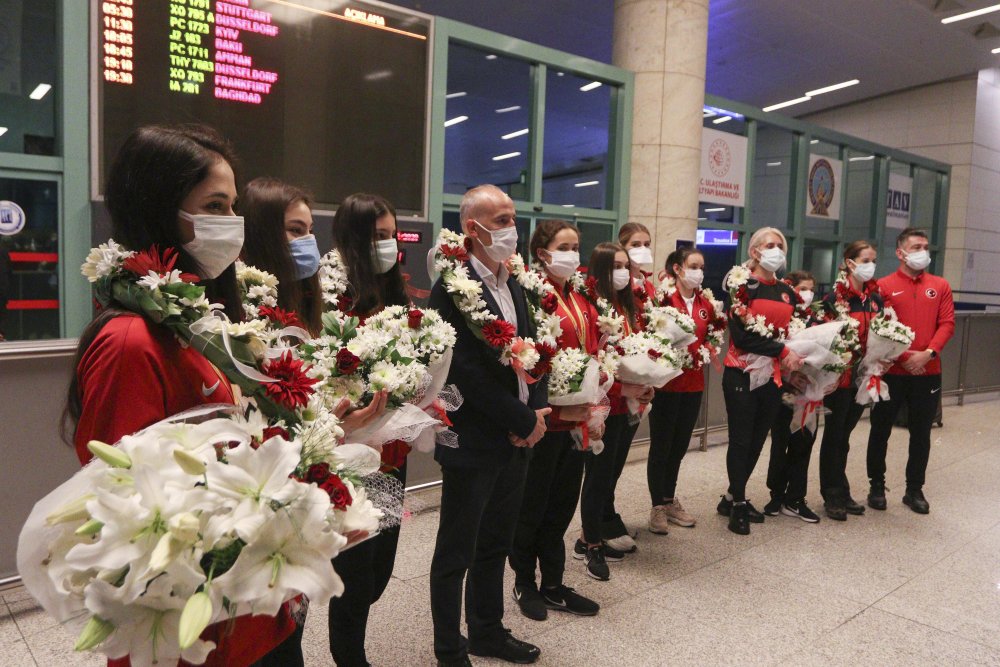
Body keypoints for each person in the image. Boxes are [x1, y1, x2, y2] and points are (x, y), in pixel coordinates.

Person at [64, 124, 293, 666]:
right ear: (158, 208)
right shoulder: (131, 341)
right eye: (215, 205)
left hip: (253, 616)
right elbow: (133, 518)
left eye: (233, 206)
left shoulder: (199, 324)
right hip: (202, 637)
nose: (233, 224)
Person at [241, 183, 389, 666]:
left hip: (321, 475)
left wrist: (343, 424)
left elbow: (309, 411)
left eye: (309, 230)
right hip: (265, 500)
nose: (305, 242)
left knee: (296, 623)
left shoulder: (307, 313)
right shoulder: (243, 318)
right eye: (294, 230)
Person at [428, 185, 550, 667]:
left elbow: (534, 348)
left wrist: (535, 414)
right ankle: (448, 647)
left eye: (511, 218)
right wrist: (521, 418)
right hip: (474, 439)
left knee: (496, 541)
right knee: (456, 548)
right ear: (471, 229)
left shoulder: (514, 282)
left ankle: (486, 631)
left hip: (518, 436)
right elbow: (463, 372)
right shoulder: (451, 289)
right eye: (499, 220)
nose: (510, 229)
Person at [324, 193, 409, 667]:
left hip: (393, 457)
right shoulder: (331, 298)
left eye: (391, 235)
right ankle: (349, 656)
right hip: (352, 458)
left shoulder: (395, 297)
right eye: (377, 236)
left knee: (379, 572)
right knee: (356, 574)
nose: (387, 244)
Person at [510, 220, 602, 618]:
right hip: (546, 420)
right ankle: (523, 583)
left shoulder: (580, 295)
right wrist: (560, 407)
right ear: (542, 252)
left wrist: (596, 401)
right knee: (532, 506)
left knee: (562, 505)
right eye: (564, 246)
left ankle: (554, 582)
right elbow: (524, 358)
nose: (573, 254)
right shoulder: (530, 294)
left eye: (576, 246)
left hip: (576, 423)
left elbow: (595, 351)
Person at [719, 227, 804, 535]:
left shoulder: (786, 291)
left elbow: (791, 331)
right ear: (754, 251)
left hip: (772, 376)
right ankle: (739, 504)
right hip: (740, 373)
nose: (777, 249)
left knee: (757, 440)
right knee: (741, 440)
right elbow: (741, 337)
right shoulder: (741, 284)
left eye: (781, 245)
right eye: (770, 245)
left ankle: (731, 496)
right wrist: (782, 350)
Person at [576, 242, 652, 579]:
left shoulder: (628, 305)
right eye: (615, 266)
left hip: (628, 405)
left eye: (626, 265)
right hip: (603, 405)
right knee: (597, 475)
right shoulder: (592, 308)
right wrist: (624, 388)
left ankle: (598, 530)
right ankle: (589, 542)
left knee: (611, 474)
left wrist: (648, 380)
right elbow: (591, 363)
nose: (623, 272)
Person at [866, 227, 954, 514]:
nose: (923, 251)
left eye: (925, 246)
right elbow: (877, 328)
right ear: (900, 252)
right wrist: (904, 357)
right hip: (891, 371)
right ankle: (876, 486)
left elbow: (947, 324)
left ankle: (914, 489)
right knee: (880, 430)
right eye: (916, 246)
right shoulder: (883, 286)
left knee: (921, 434)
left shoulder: (940, 286)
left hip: (928, 371)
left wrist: (927, 354)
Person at [646, 246, 718, 533]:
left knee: (678, 446)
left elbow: (712, 332)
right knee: (661, 446)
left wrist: (710, 347)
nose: (698, 271)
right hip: (666, 383)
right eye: (693, 265)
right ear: (677, 268)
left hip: (693, 383)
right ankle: (657, 507)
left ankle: (669, 498)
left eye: (702, 266)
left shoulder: (706, 304)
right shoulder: (663, 300)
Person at [597, 222, 656, 553]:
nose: (642, 249)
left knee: (616, 461)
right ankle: (599, 525)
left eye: (647, 243)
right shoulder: (604, 298)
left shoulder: (641, 294)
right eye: (635, 244)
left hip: (632, 393)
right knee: (602, 466)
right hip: (608, 394)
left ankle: (606, 514)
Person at [818, 241, 884, 521]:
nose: (870, 265)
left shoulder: (874, 297)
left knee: (845, 436)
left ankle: (841, 488)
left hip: (864, 376)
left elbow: (882, 330)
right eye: (865, 259)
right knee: (834, 435)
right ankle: (831, 493)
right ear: (849, 262)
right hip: (839, 377)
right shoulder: (834, 298)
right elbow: (823, 336)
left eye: (873, 260)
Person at [762, 270, 822, 524]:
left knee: (804, 442)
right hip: (783, 389)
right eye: (803, 288)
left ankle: (796, 498)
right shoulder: (782, 317)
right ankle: (776, 493)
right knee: (781, 441)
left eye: (811, 289)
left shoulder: (817, 321)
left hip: (809, 393)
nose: (807, 294)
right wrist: (788, 372)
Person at [241, 177, 323, 335]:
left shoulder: (301, 297)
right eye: (296, 230)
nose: (309, 240)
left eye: (310, 231)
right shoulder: (242, 305)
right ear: (262, 233)